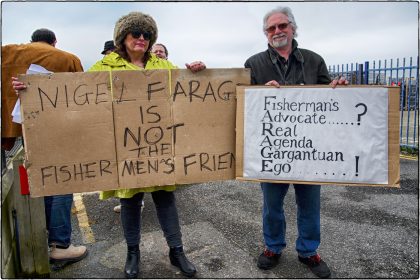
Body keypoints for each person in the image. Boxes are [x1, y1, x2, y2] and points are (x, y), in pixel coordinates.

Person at [88, 12, 205, 278]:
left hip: (159, 147)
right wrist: (29, 89)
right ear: (123, 37)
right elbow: (75, 92)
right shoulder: (105, 66)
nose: (141, 38)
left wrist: (198, 72)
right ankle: (133, 252)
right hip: (125, 148)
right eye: (135, 33)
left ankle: (177, 251)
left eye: (146, 34)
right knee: (130, 201)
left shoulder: (163, 66)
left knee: (166, 199)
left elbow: (187, 90)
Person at [244, 6, 347, 279]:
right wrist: (256, 93)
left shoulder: (314, 61)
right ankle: (273, 247)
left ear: (293, 28)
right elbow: (242, 103)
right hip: (273, 150)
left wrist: (339, 89)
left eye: (282, 26)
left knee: (310, 204)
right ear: (265, 33)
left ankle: (308, 251)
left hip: (310, 152)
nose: (277, 31)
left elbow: (330, 100)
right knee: (272, 206)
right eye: (271, 28)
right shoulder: (253, 63)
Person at [6, 28, 88, 270]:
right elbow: (86, 96)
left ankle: (35, 241)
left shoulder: (8, 54)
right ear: (54, 42)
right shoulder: (68, 58)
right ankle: (60, 246)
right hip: (59, 132)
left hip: (18, 133)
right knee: (61, 182)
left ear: (32, 40)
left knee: (31, 184)